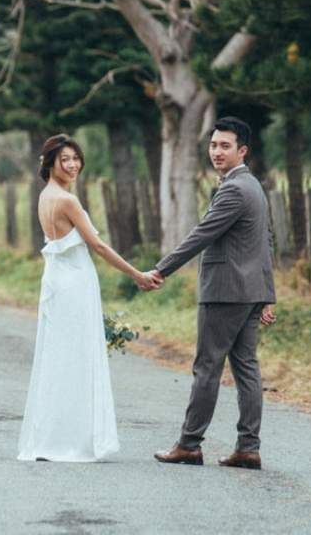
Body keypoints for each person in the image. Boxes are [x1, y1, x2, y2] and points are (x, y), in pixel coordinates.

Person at [17, 133, 162, 462]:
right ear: (49, 164)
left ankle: (54, 436)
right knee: (77, 358)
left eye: (75, 158)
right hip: (74, 284)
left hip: (57, 281)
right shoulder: (67, 200)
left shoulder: (45, 196)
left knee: (61, 358)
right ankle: (73, 440)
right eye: (63, 160)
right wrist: (137, 274)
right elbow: (97, 245)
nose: (72, 165)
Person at [150, 116, 277, 470]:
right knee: (246, 368)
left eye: (225, 146)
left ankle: (189, 444)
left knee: (207, 367)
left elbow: (202, 233)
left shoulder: (235, 189)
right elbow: (264, 243)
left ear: (243, 150)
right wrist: (267, 293)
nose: (217, 152)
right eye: (213, 145)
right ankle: (248, 448)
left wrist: (162, 268)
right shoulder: (252, 185)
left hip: (225, 292)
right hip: (250, 291)